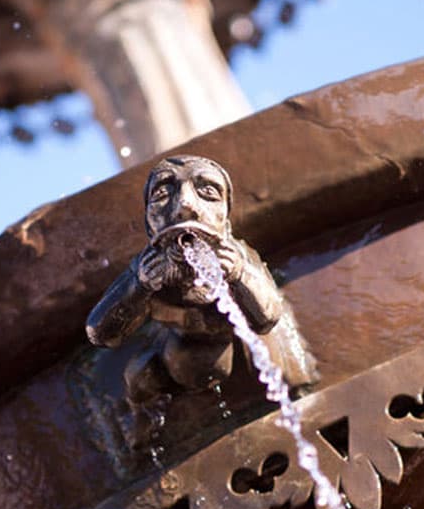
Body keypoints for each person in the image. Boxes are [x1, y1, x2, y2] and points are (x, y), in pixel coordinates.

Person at [86, 154, 315, 421]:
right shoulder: (147, 268)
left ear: (226, 220)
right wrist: (138, 286)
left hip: (238, 341)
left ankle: (304, 409)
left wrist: (239, 273)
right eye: (162, 193)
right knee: (138, 380)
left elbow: (266, 317)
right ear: (149, 224)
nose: (185, 205)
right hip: (182, 349)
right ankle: (143, 427)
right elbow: (100, 333)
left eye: (207, 192)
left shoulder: (236, 255)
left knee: (285, 371)